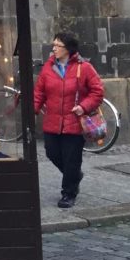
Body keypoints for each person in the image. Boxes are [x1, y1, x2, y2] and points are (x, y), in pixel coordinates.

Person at [34, 31, 104, 209]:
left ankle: (68, 193)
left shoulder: (84, 67)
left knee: (72, 159)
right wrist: (32, 110)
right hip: (53, 121)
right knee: (51, 152)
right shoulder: (48, 67)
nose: (54, 48)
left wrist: (84, 106)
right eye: (54, 45)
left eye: (58, 45)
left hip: (74, 122)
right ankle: (74, 176)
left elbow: (98, 91)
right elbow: (39, 92)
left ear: (68, 49)